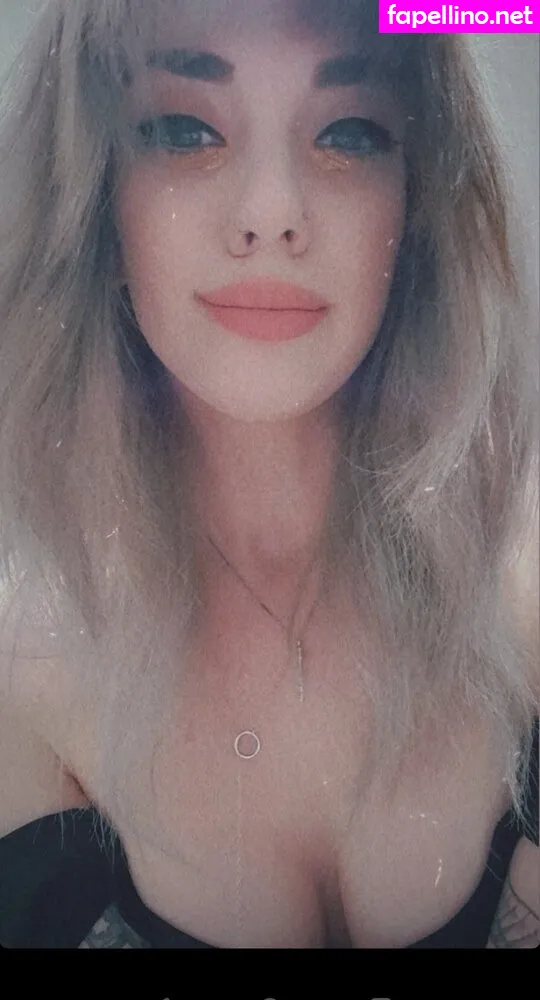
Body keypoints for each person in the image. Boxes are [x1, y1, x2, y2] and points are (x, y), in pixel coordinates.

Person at [0, 0, 538, 949]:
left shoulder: (523, 573)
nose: (272, 213)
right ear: (93, 197)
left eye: (348, 133)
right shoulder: (24, 667)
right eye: (184, 130)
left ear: (418, 202)